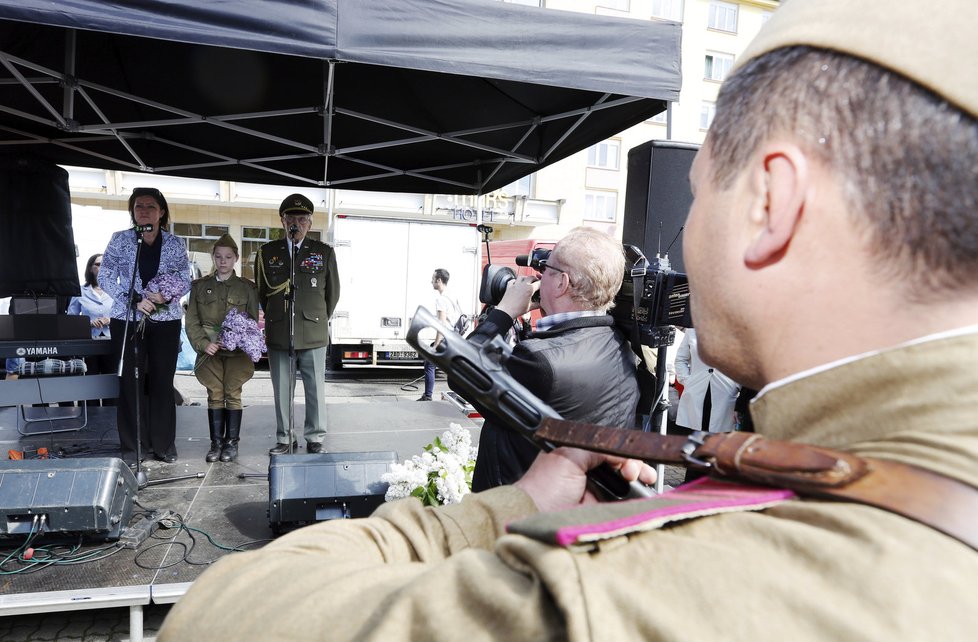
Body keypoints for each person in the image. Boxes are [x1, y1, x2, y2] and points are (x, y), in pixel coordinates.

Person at [159, 1, 978, 638]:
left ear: (771, 204)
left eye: (699, 196)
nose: (688, 236)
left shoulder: (653, 590)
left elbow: (227, 615)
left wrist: (509, 507)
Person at [463, 226, 641, 491]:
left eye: (545, 268)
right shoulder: (618, 342)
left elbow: (462, 372)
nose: (537, 275)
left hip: (518, 511)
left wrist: (504, 312)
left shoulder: (540, 362)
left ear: (562, 283)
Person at [99, 187, 190, 466]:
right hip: (127, 318)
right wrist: (132, 300)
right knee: (129, 382)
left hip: (165, 319)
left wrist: (166, 295)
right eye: (139, 206)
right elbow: (105, 275)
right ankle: (132, 446)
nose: (144, 211)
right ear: (133, 212)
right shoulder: (121, 240)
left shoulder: (175, 243)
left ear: (161, 212)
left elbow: (185, 277)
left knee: (162, 381)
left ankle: (163, 445)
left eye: (151, 206)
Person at [255, 194, 340, 455]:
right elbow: (261, 291)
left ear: (310, 222)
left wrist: (316, 319)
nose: (297, 223)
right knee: (282, 390)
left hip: (312, 332)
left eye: (302, 219)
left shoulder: (323, 252)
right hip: (281, 331)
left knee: (315, 389)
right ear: (282, 220)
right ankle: (285, 438)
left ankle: (314, 437)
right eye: (291, 218)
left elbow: (332, 294)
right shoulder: (267, 253)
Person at [185, 234, 259, 463]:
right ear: (213, 258)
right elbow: (192, 321)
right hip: (210, 352)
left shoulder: (247, 288)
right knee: (214, 395)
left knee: (233, 394)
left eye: (228, 257)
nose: (223, 261)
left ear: (236, 258)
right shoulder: (200, 287)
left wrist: (237, 339)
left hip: (236, 354)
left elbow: (252, 322)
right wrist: (203, 344)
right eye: (218, 257)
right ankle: (216, 444)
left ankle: (231, 444)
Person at [67, 253, 115, 406]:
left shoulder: (116, 291)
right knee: (90, 384)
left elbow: (125, 315)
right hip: (89, 345)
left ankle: (112, 416)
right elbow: (71, 319)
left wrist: (110, 320)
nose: (101, 267)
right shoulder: (80, 291)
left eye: (104, 264)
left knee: (111, 383)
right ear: (90, 268)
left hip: (112, 343)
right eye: (98, 264)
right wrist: (88, 323)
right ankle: (90, 419)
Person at [673, 328, 739, 434]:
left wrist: (736, 386)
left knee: (719, 440)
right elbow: (680, 359)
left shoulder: (738, 332)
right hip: (696, 390)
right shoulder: (692, 330)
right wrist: (686, 380)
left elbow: (745, 364)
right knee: (694, 436)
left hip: (725, 393)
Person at [418, 267, 461, 402]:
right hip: (454, 336)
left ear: (439, 280)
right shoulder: (453, 296)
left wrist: (436, 344)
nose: (431, 282)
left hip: (445, 338)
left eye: (433, 279)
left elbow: (441, 325)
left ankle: (428, 396)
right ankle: (460, 395)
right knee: (452, 369)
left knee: (429, 365)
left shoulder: (441, 299)